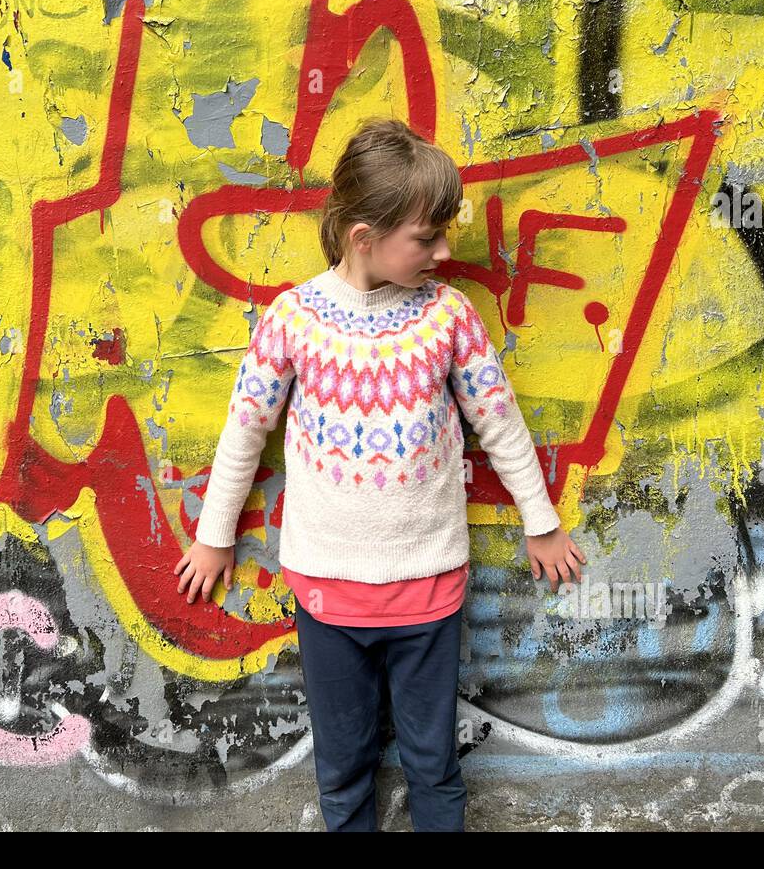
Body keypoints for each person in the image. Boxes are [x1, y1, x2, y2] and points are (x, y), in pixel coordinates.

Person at [173, 117, 587, 831]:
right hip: (328, 594)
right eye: (425, 238)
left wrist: (541, 521)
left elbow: (499, 421)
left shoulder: (449, 317)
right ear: (364, 236)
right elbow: (245, 431)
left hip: (429, 589)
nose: (444, 250)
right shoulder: (294, 320)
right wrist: (214, 535)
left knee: (434, 765)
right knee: (343, 769)